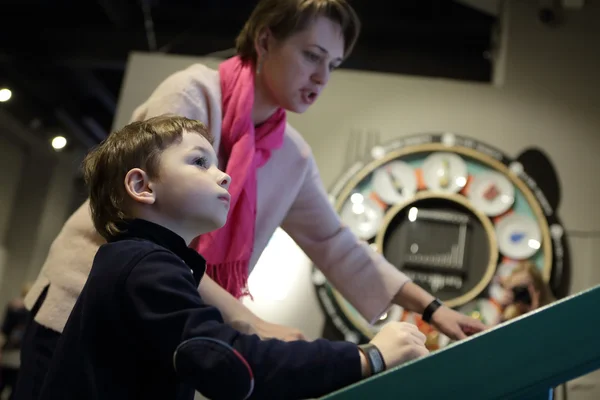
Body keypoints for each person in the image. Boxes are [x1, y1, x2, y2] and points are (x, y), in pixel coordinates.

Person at [17, 0, 486, 397]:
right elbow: (144, 217)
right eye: (311, 55)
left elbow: (335, 242)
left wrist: (434, 309)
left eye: (333, 65)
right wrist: (246, 321)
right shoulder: (194, 92)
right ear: (264, 42)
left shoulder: (291, 153)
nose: (322, 76)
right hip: (84, 309)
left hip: (172, 329)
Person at [37, 115, 430, 400]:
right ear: (141, 185)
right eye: (199, 162)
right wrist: (369, 357)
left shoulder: (142, 263)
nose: (223, 175)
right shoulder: (145, 268)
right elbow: (226, 360)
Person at [0, 284, 30, 400]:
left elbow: (4, 331)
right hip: (16, 357)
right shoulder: (19, 310)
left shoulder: (15, 308)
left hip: (13, 356)